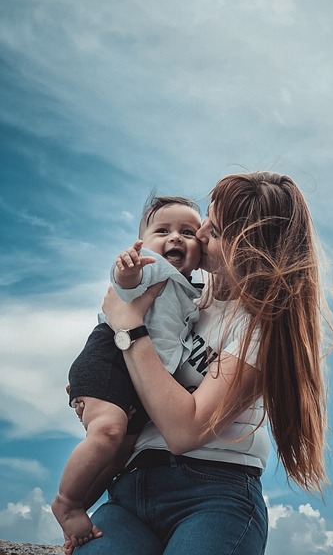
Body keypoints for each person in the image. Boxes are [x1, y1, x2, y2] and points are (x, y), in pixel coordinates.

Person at [71, 172, 333, 555]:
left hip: (214, 494)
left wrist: (127, 328)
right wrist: (95, 389)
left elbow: (186, 430)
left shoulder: (259, 329)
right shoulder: (182, 294)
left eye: (216, 228)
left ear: (248, 247)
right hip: (131, 486)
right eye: (207, 218)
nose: (201, 231)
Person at [52, 196, 203, 551]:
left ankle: (81, 507)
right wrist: (129, 268)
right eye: (162, 230)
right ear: (144, 241)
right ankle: (66, 502)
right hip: (112, 357)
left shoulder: (193, 292)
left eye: (188, 232)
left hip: (141, 376)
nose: (175, 238)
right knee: (107, 431)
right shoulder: (155, 269)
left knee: (121, 450)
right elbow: (126, 280)